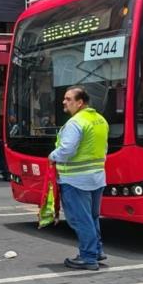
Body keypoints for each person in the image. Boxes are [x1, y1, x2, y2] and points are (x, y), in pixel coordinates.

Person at [48, 86, 109, 271]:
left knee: (80, 219)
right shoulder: (100, 120)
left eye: (68, 99)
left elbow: (67, 150)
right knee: (91, 217)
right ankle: (97, 251)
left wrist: (52, 156)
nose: (64, 102)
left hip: (76, 180)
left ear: (80, 102)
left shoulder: (75, 123)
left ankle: (88, 257)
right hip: (97, 178)